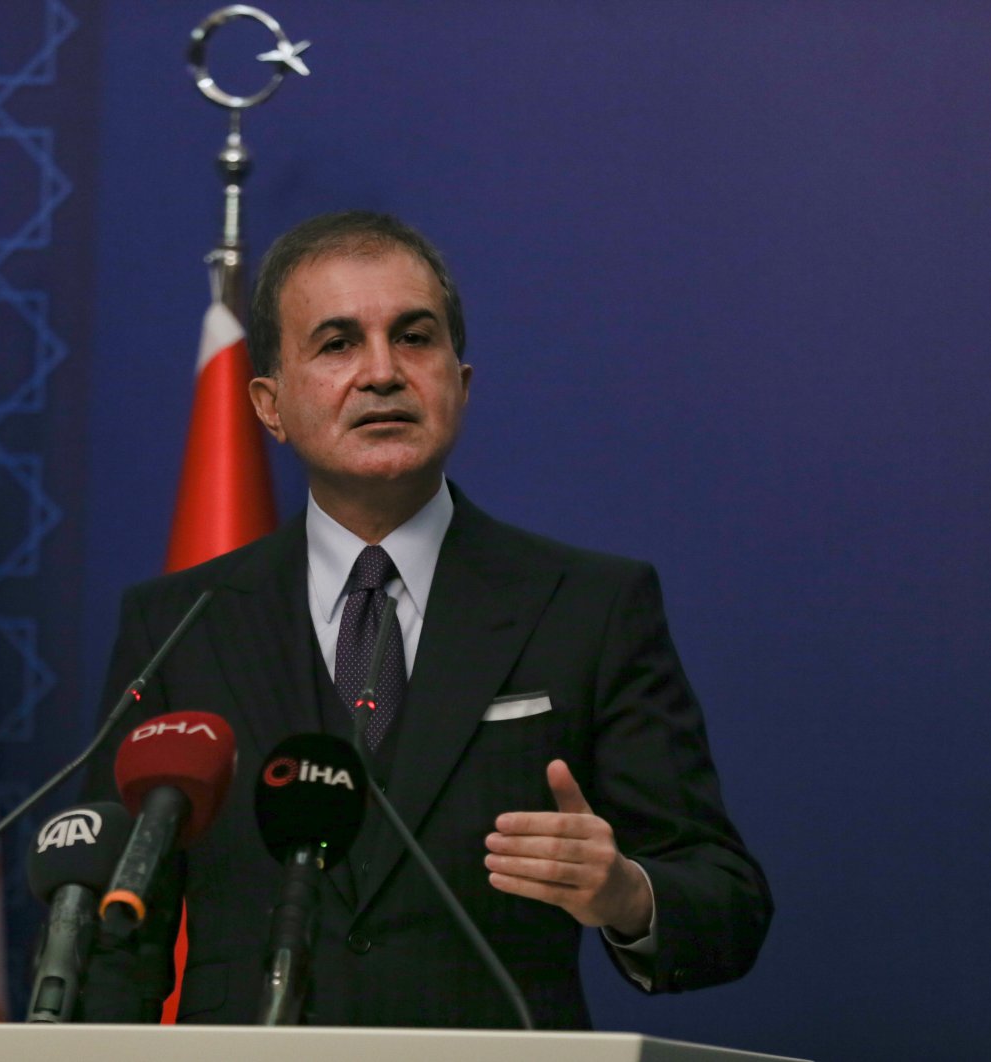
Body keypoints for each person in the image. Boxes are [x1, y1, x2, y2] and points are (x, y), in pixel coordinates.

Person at [79, 211, 771, 1029]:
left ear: (460, 383)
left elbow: (725, 902)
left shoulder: (588, 606)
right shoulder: (179, 624)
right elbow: (109, 940)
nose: (381, 373)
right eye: (337, 344)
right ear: (270, 405)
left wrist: (627, 894)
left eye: (414, 338)